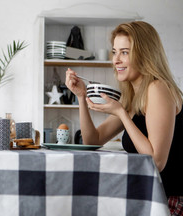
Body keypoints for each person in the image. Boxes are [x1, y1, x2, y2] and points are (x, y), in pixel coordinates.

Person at [65, 21, 183, 215]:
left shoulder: (158, 88)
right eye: (114, 52)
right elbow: (92, 140)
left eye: (125, 52)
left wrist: (120, 113)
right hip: (149, 197)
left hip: (169, 202)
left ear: (145, 54)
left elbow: (156, 162)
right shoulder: (134, 97)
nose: (116, 60)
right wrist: (80, 96)